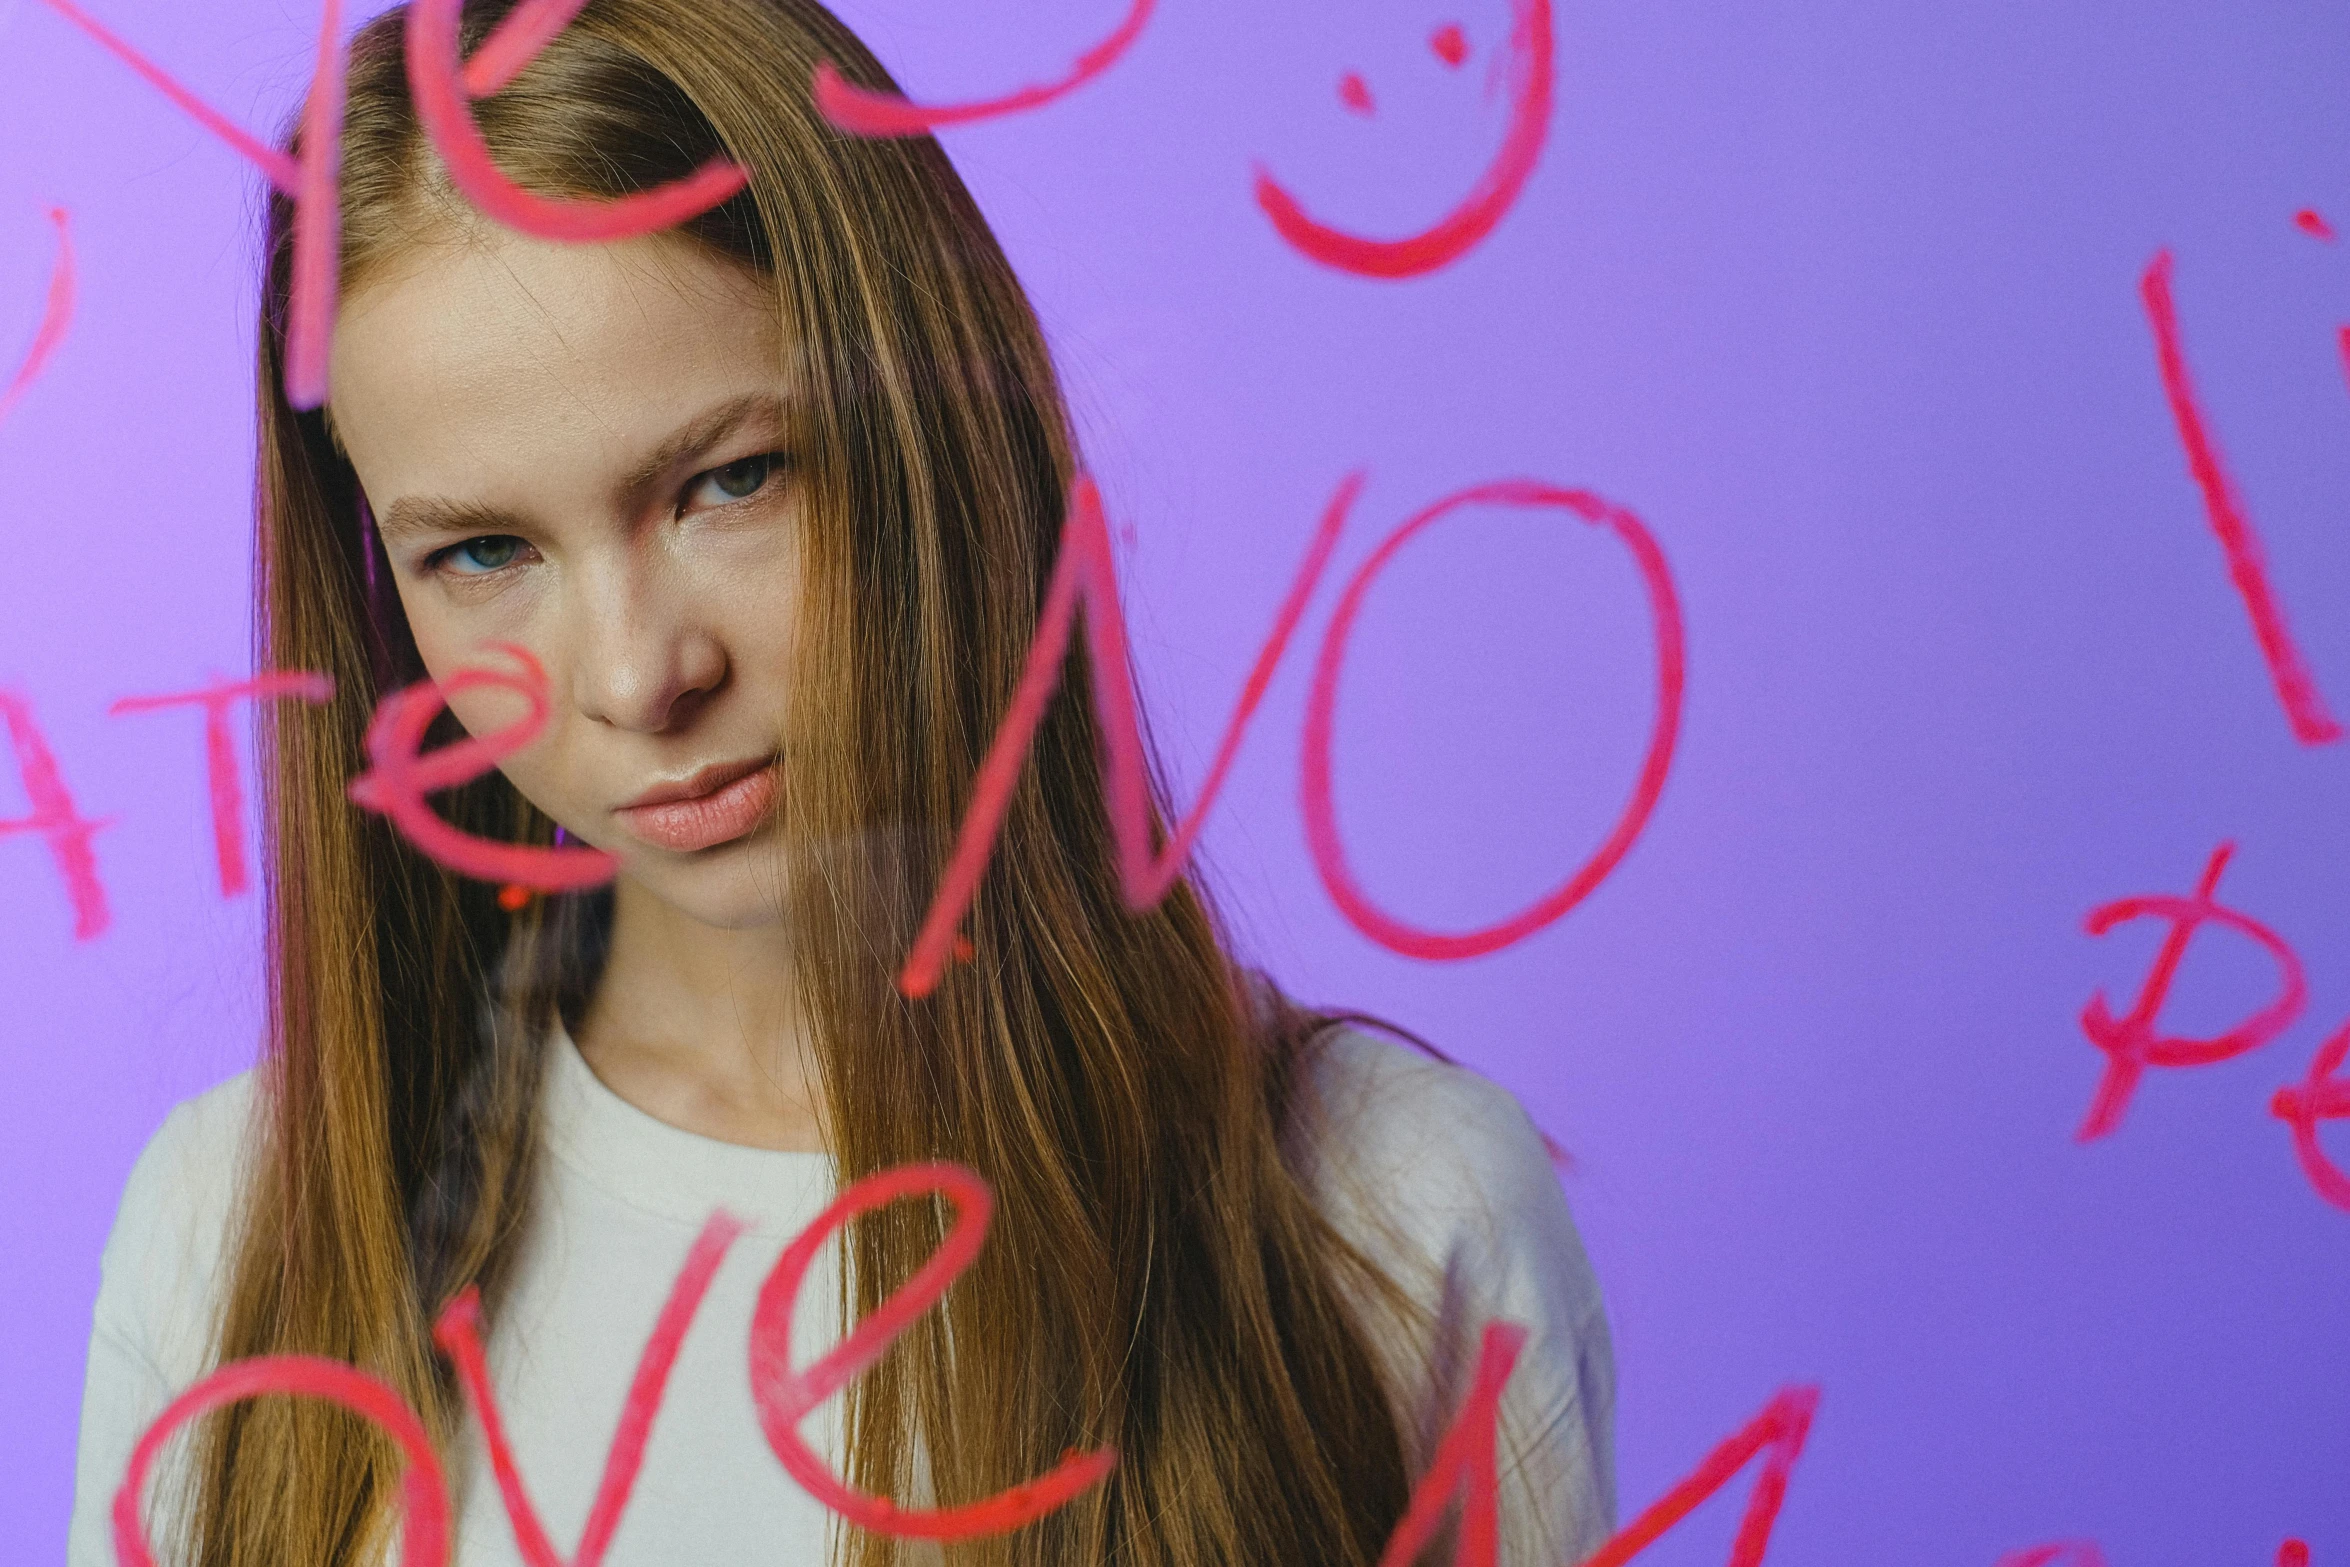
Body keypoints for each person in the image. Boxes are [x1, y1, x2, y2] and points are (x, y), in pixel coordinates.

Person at [67, 2, 1615, 1564]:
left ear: (937, 442)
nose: (635, 675)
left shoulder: (1388, 1219)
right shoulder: (235, 1238)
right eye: (483, 552)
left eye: (729, 480)